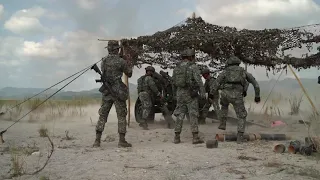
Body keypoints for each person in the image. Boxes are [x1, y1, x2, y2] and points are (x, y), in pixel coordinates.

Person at [211, 55, 261, 144]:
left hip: (225, 94)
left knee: (224, 106)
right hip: (237, 95)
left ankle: (222, 124)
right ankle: (240, 137)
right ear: (238, 63)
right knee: (241, 115)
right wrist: (257, 96)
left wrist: (211, 94)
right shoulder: (243, 72)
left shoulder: (225, 72)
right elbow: (255, 84)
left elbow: (216, 83)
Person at [93, 40, 133, 148]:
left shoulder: (103, 61)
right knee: (121, 115)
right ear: (117, 49)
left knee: (103, 115)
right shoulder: (121, 61)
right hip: (118, 91)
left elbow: (106, 72)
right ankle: (122, 141)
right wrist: (128, 61)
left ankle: (97, 141)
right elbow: (129, 73)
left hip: (107, 91)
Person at [172, 48, 206, 144]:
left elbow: (173, 82)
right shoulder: (193, 67)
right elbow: (199, 81)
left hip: (180, 93)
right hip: (190, 93)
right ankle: (195, 137)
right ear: (191, 56)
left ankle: (177, 137)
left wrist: (175, 94)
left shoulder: (177, 68)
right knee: (193, 114)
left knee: (180, 114)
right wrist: (202, 92)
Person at [137, 66, 162, 130]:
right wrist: (158, 94)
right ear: (150, 72)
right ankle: (143, 122)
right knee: (148, 107)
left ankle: (142, 120)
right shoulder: (149, 78)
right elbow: (153, 87)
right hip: (146, 94)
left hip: (140, 94)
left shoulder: (140, 78)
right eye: (152, 72)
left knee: (144, 107)